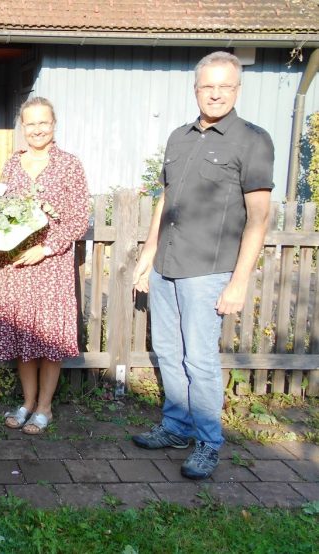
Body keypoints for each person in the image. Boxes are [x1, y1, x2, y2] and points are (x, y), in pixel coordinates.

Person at [132, 51, 274, 479]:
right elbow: (166, 200)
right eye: (208, 86)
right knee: (168, 352)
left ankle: (209, 443)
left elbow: (259, 218)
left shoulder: (252, 140)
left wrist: (239, 281)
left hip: (208, 271)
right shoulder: (179, 137)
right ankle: (177, 427)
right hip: (167, 266)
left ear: (237, 89)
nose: (215, 94)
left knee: (200, 360)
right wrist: (149, 253)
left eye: (224, 86)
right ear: (196, 90)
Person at [0, 97, 90, 434]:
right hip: (14, 263)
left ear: (54, 124)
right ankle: (27, 402)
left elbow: (78, 219)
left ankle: (45, 407)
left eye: (44, 122)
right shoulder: (12, 164)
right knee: (22, 334)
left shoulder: (69, 165)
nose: (37, 129)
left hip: (50, 265)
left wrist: (46, 248)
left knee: (49, 336)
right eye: (31, 123)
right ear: (22, 127)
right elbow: (0, 211)